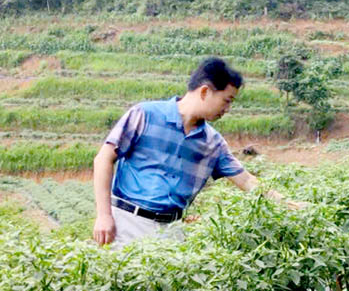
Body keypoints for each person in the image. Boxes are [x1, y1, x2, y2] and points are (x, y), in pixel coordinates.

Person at [92, 57, 286, 247]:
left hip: (172, 231)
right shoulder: (144, 114)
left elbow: (246, 180)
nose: (228, 109)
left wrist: (287, 204)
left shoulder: (213, 142)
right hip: (127, 223)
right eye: (226, 101)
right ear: (205, 92)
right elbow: (103, 159)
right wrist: (104, 215)